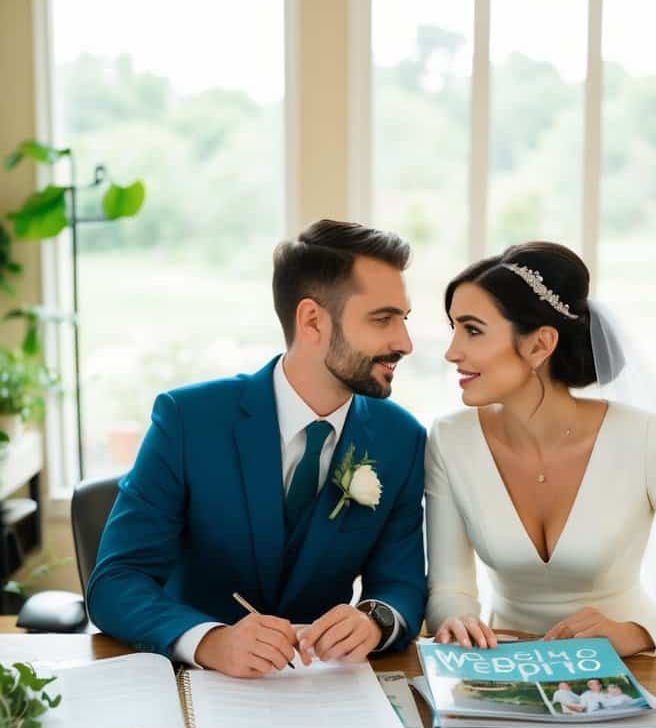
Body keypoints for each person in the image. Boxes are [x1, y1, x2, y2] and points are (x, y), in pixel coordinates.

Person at [88, 220, 427, 677]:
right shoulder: (188, 420)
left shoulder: (401, 438)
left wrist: (375, 620)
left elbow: (401, 586)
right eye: (383, 319)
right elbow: (115, 581)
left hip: (321, 692)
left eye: (403, 319)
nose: (404, 342)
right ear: (312, 320)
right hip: (195, 687)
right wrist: (209, 641)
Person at [425, 241, 656, 657]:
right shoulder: (450, 439)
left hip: (629, 671)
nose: (452, 352)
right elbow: (449, 588)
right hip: (502, 670)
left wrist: (637, 633)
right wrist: (456, 619)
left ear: (539, 345)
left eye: (472, 330)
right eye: (453, 328)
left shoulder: (643, 439)